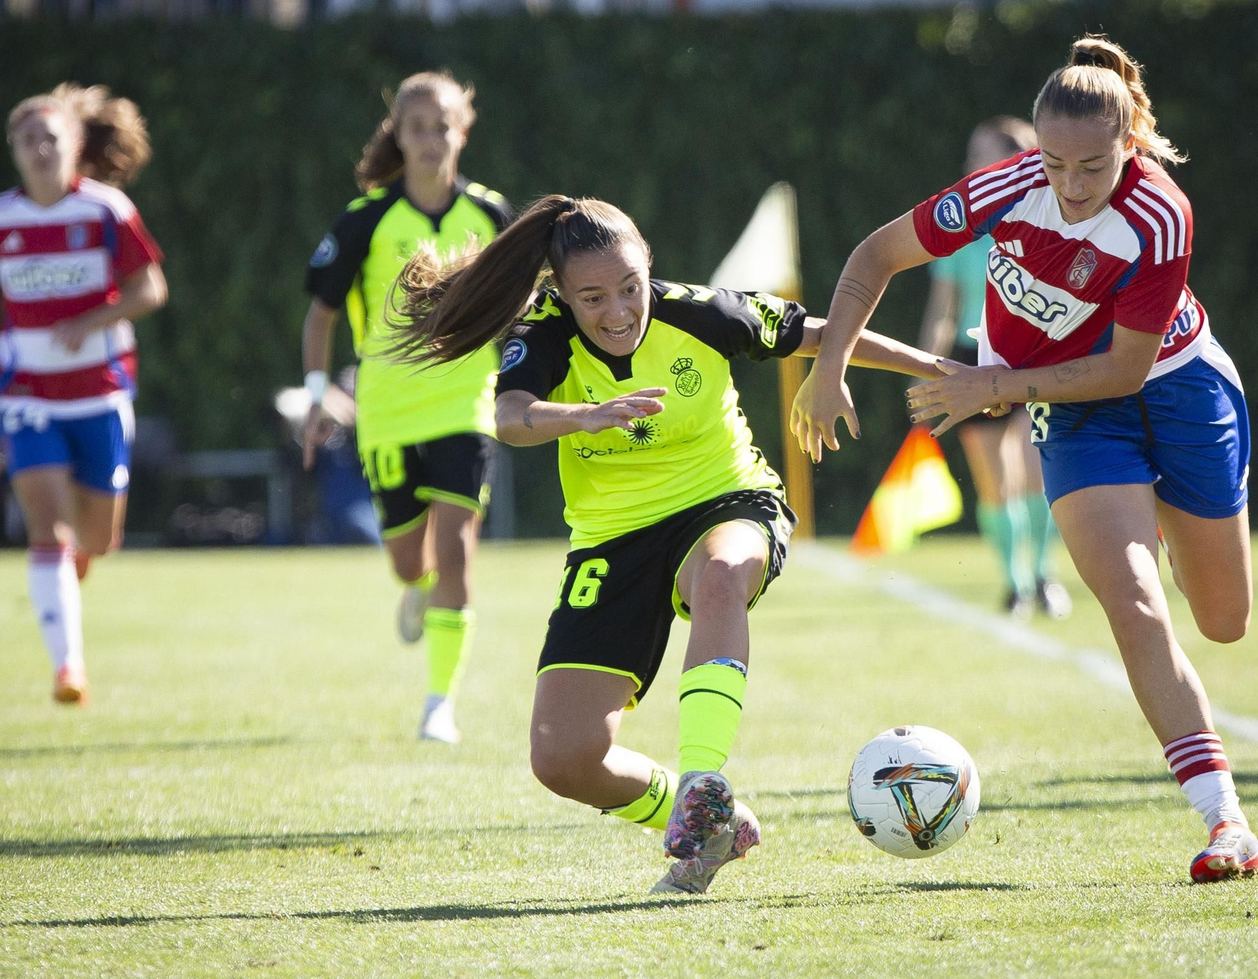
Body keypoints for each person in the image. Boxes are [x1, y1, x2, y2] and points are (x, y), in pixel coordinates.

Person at [793, 35, 1258, 884]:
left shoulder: (1160, 214)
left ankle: (1166, 519)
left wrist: (997, 385)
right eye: (1054, 164)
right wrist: (829, 371)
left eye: (1092, 166)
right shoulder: (1007, 186)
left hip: (1178, 388)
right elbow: (876, 256)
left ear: (1129, 144)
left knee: (1224, 619)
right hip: (1079, 417)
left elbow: (1126, 369)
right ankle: (1226, 821)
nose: (1071, 186)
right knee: (1133, 601)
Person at [392, 195, 943, 894]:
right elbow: (510, 415)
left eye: (630, 287)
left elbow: (825, 333)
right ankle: (714, 822)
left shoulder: (701, 312)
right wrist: (585, 416)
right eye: (593, 298)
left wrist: (941, 369)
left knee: (721, 574)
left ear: (647, 265)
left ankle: (704, 778)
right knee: (563, 759)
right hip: (611, 539)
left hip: (727, 499)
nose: (618, 312)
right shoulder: (545, 330)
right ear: (563, 292)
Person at [0, 83, 167, 706]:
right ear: (12, 149)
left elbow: (150, 289)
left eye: (51, 138)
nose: (40, 149)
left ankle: (76, 565)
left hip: (101, 393)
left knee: (98, 541)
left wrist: (91, 321)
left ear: (76, 144)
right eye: (27, 139)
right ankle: (69, 668)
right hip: (27, 395)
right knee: (48, 533)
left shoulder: (106, 210)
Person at [300, 70, 511, 745]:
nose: (429, 139)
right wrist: (317, 396)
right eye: (415, 128)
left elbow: (524, 305)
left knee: (456, 552)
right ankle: (415, 587)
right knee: (407, 561)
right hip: (387, 412)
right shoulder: (366, 218)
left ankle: (438, 705)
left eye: (441, 126)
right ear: (398, 134)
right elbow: (321, 313)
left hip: (465, 405)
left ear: (463, 131)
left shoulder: (491, 215)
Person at [918, 116, 1070, 619]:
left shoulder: (1044, 219)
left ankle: (1044, 576)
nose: (969, 165)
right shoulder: (960, 229)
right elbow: (943, 309)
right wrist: (926, 366)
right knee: (993, 482)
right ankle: (1015, 585)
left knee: (1034, 471)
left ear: (1012, 161)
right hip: (971, 361)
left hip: (1030, 357)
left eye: (980, 155)